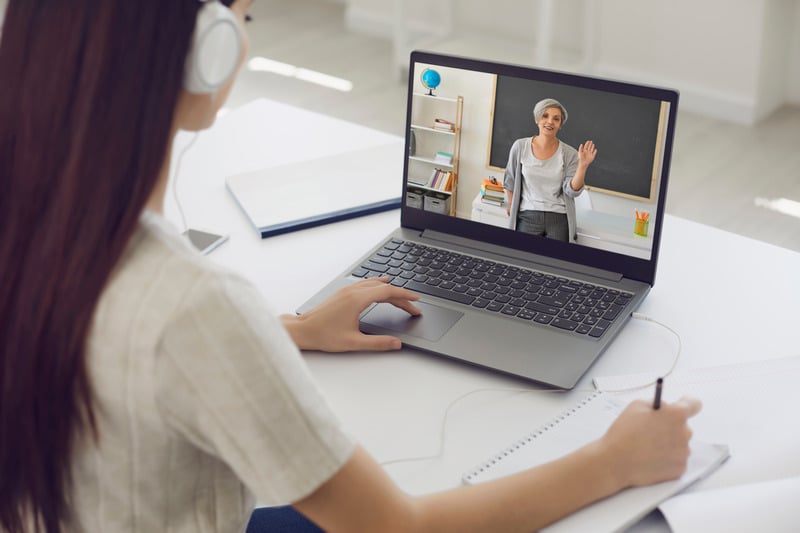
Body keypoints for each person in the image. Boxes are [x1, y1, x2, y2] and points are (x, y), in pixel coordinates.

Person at [0, 2, 702, 532]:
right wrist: (614, 462)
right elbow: (398, 527)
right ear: (203, 54)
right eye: (242, 15)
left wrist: (296, 328)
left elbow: (133, 337)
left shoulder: (34, 228)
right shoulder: (195, 304)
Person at [504, 98, 597, 243]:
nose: (550, 122)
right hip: (527, 215)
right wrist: (510, 203)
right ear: (537, 119)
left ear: (560, 124)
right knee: (523, 261)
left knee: (554, 263)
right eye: (545, 116)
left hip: (558, 218)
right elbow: (510, 179)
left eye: (556, 119)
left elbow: (572, 191)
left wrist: (582, 166)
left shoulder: (570, 154)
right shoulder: (520, 147)